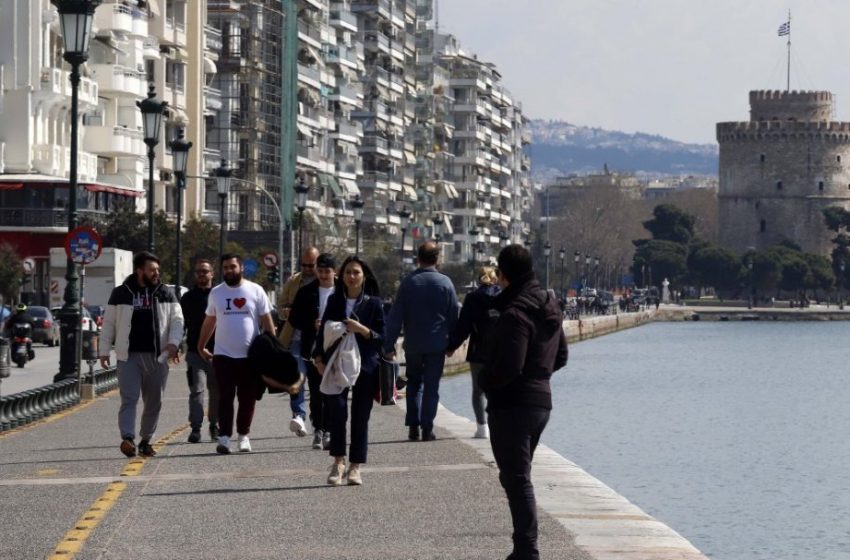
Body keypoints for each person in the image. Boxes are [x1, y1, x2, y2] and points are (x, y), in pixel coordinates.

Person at [481, 245, 568, 560]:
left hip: (513, 404)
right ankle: (523, 547)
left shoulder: (514, 313)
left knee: (517, 479)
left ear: (503, 275)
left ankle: (527, 551)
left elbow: (510, 367)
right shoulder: (550, 304)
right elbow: (561, 356)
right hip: (541, 403)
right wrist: (539, 377)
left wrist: (484, 382)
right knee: (515, 476)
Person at [99, 251, 184, 458]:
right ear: (140, 271)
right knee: (129, 398)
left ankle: (146, 440)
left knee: (154, 401)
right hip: (129, 356)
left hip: (158, 356)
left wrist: (173, 344)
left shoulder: (165, 292)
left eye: (157, 270)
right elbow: (109, 323)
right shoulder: (121, 293)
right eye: (152, 270)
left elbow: (177, 321)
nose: (156, 273)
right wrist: (103, 350)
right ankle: (128, 439)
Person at [314, 256, 385, 486]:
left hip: (366, 366)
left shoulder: (374, 303)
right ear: (341, 276)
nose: (351, 277)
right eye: (347, 273)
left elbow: (382, 339)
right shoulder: (335, 301)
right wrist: (318, 358)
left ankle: (355, 467)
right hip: (336, 364)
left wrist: (363, 330)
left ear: (364, 276)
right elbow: (322, 332)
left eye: (356, 272)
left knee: (360, 417)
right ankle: (338, 462)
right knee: (337, 413)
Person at [197, 253, 276, 454]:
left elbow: (267, 322)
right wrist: (201, 345)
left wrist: (272, 349)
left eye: (232, 267)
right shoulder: (216, 293)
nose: (229, 271)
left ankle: (243, 435)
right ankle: (224, 437)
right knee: (225, 396)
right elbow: (210, 321)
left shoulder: (255, 290)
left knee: (247, 397)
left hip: (250, 356)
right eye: (225, 268)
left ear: (241, 268)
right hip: (223, 355)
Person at [385, 242, 457, 442]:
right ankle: (427, 427)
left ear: (418, 258)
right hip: (437, 344)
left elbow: (395, 316)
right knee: (431, 386)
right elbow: (453, 317)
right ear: (437, 259)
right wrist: (453, 344)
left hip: (414, 343)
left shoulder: (408, 283)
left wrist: (389, 345)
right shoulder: (445, 283)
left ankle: (413, 426)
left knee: (414, 383)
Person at [287, 253, 336, 450]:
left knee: (332, 392)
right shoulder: (306, 292)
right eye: (321, 271)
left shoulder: (341, 291)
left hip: (336, 349)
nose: (323, 275)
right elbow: (294, 319)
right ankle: (318, 429)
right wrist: (311, 324)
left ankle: (330, 429)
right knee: (316, 392)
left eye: (327, 271)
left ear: (334, 272)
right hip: (312, 349)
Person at [447, 266, 500, 439]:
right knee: (498, 389)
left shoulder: (472, 298)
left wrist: (452, 346)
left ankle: (482, 427)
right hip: (500, 351)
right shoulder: (504, 296)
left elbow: (464, 326)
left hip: (478, 350)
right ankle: (497, 424)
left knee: (478, 391)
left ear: (479, 279)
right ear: (495, 279)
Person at [277, 247, 319, 438]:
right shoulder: (294, 281)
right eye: (304, 265)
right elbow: (281, 305)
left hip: (318, 340)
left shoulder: (327, 282)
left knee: (318, 383)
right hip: (294, 338)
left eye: (312, 265)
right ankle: (299, 415)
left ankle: (319, 422)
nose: (308, 269)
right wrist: (286, 311)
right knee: (297, 379)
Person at [180, 258, 219, 443]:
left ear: (212, 274)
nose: (202, 275)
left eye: (205, 271)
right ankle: (195, 428)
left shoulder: (219, 295)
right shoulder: (187, 298)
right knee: (197, 390)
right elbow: (180, 324)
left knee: (216, 391)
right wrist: (177, 344)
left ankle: (215, 425)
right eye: (198, 272)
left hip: (218, 352)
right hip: (195, 353)